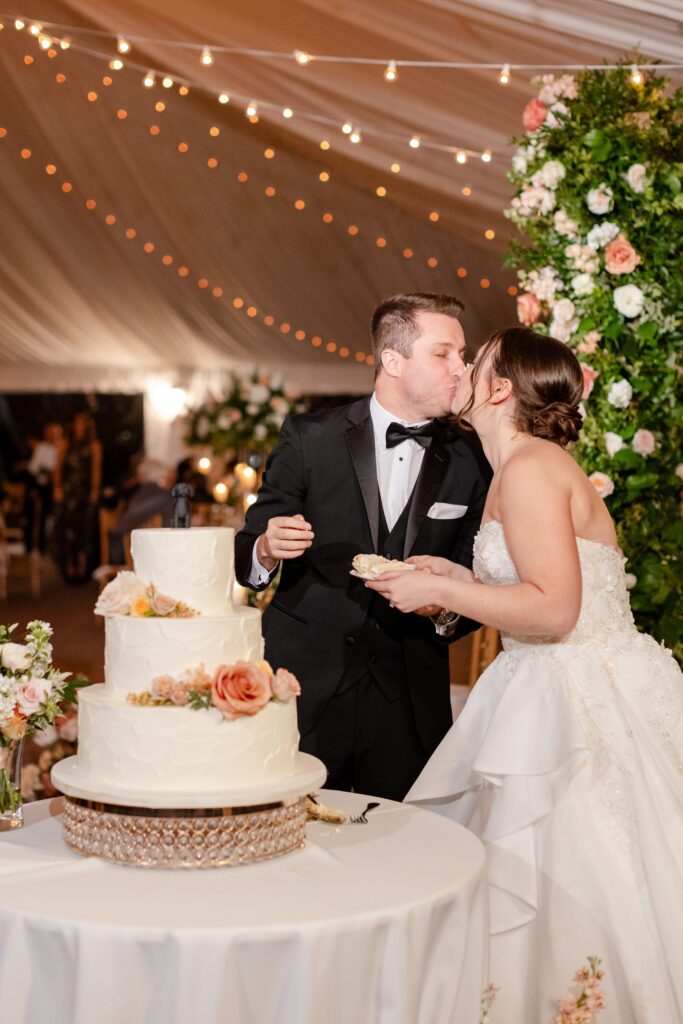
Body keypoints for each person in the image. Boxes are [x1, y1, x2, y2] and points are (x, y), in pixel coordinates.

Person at [366, 326, 683, 1022]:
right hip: (545, 682)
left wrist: (444, 596)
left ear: (499, 388)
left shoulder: (529, 468)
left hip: (574, 704)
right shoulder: (518, 465)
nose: (458, 371)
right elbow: (528, 582)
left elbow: (556, 607)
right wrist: (456, 574)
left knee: (583, 876)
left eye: (470, 362)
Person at [235, 293, 490, 800]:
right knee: (286, 835)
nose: (461, 369)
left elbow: (475, 577)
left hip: (408, 698)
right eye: (444, 354)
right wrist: (266, 546)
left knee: (396, 854)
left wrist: (443, 608)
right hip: (304, 684)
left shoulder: (472, 457)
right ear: (393, 360)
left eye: (463, 355)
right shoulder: (311, 437)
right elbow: (247, 552)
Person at [54, 411, 102, 581]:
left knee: (85, 530)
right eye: (76, 423)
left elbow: (96, 470)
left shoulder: (93, 445)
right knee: (68, 529)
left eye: (82, 423)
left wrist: (95, 491)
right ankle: (69, 568)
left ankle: (83, 569)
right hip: (68, 492)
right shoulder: (66, 444)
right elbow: (58, 468)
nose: (79, 426)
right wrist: (57, 488)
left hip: (84, 492)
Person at [25, 421, 63, 553]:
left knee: (46, 517)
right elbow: (33, 467)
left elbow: (56, 469)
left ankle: (43, 547)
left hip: (51, 487)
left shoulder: (60, 449)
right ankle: (29, 547)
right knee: (31, 516)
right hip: (37, 485)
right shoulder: (41, 447)